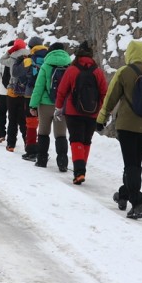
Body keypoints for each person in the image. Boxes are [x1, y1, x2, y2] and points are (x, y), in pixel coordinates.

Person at [97, 39, 142, 219]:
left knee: (131, 164)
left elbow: (111, 98)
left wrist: (101, 119)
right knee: (134, 163)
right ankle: (123, 195)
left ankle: (137, 201)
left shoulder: (124, 72)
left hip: (127, 126)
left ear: (129, 53)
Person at [55, 41, 108, 185]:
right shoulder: (97, 71)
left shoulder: (72, 69)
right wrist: (99, 108)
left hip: (73, 111)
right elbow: (104, 92)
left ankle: (79, 171)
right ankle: (81, 168)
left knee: (76, 139)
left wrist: (59, 106)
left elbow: (62, 89)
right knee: (86, 141)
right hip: (92, 112)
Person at [29, 41, 71, 170]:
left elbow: (39, 87)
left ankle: (42, 160)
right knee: (61, 134)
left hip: (45, 104)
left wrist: (33, 105)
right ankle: (63, 162)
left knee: (43, 131)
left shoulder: (46, 65)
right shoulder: (69, 65)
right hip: (61, 105)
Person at [21, 37, 47, 161]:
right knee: (43, 123)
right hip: (45, 95)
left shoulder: (30, 59)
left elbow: (22, 75)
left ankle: (31, 149)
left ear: (31, 47)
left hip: (30, 94)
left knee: (31, 122)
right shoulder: (48, 57)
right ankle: (42, 151)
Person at [1, 39, 30, 153]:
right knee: (24, 119)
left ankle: (11, 144)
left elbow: (1, 60)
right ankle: (28, 142)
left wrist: (9, 51)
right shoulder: (30, 56)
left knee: (12, 119)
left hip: (12, 91)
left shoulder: (12, 57)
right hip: (26, 92)